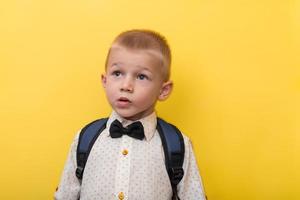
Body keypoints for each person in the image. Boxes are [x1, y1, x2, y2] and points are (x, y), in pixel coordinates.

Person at [54, 29, 206, 200]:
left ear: (163, 90)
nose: (126, 85)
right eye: (117, 73)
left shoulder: (177, 145)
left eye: (141, 76)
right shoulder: (85, 138)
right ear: (105, 81)